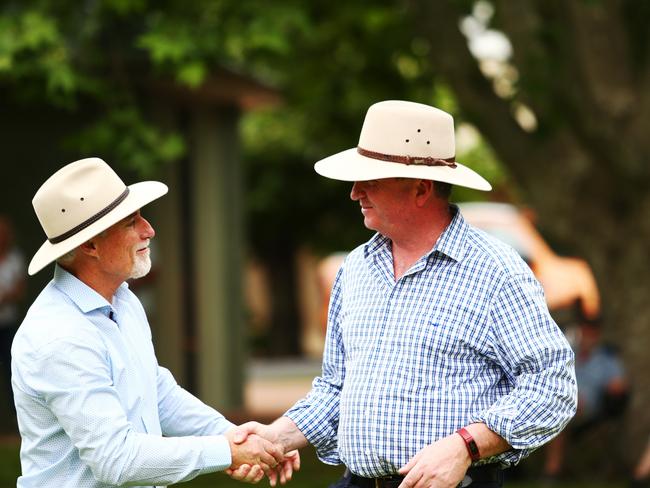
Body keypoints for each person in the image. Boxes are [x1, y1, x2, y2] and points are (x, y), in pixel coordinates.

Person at [233, 100, 577, 488]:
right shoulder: (356, 268)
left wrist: (465, 447)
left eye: (371, 181)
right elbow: (335, 390)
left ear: (420, 189)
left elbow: (551, 387)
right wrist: (272, 438)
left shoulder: (496, 270)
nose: (354, 193)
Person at [11, 158, 298, 487]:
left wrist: (235, 436)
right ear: (90, 245)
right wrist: (227, 451)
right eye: (131, 221)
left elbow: (156, 392)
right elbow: (115, 460)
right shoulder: (60, 336)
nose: (149, 229)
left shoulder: (123, 299)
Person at [543, 314, 628, 481]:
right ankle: (550, 469)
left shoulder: (607, 359)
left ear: (597, 335)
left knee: (562, 415)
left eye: (591, 333)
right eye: (584, 332)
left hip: (590, 408)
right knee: (559, 412)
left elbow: (619, 386)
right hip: (563, 402)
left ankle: (552, 471)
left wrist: (612, 387)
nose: (587, 337)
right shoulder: (567, 352)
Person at [0, 216, 26, 414]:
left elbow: (19, 290)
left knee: (11, 370)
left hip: (7, 324)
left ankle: (14, 419)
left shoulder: (15, 258)